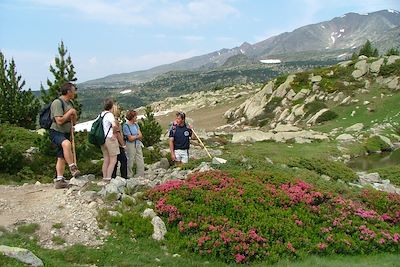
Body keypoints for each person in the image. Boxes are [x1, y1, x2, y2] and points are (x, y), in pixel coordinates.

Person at [49, 82, 80, 189]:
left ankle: (59, 180)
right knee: (66, 144)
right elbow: (59, 120)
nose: (75, 92)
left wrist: (74, 114)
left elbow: (73, 122)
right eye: (73, 90)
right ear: (68, 92)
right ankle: (72, 167)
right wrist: (70, 112)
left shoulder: (70, 103)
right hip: (56, 131)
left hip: (66, 132)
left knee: (61, 157)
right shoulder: (57, 103)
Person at [100, 99, 120, 182]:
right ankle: (108, 177)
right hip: (110, 138)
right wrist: (114, 134)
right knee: (113, 159)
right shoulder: (110, 115)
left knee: (106, 159)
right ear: (111, 106)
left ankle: (104, 177)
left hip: (103, 139)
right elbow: (114, 125)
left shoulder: (101, 114)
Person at [123, 110, 144, 177]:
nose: (136, 118)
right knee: (130, 159)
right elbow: (130, 138)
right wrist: (137, 136)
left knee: (140, 158)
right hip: (130, 145)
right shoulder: (126, 126)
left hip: (137, 143)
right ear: (132, 117)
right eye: (135, 116)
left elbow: (140, 135)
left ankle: (140, 174)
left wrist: (134, 137)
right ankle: (129, 175)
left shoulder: (136, 124)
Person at [111, 104, 128, 179]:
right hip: (117, 144)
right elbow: (118, 133)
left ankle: (113, 176)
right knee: (123, 160)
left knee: (115, 161)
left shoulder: (110, 120)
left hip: (112, 143)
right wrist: (123, 144)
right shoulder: (115, 121)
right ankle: (123, 176)